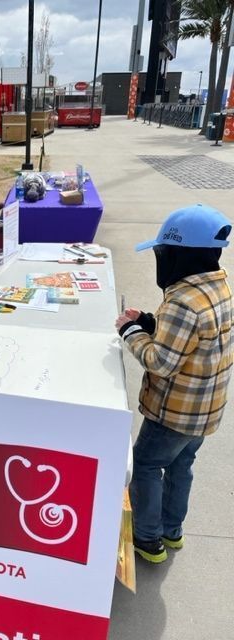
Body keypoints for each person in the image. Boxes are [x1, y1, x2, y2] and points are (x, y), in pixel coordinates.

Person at [115, 204, 233, 563]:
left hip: (173, 412)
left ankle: (148, 539)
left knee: (148, 466)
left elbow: (161, 362)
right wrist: (153, 322)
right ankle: (172, 530)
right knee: (181, 466)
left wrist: (131, 331)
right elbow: (196, 337)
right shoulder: (218, 285)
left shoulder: (182, 301)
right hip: (205, 410)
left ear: (177, 255)